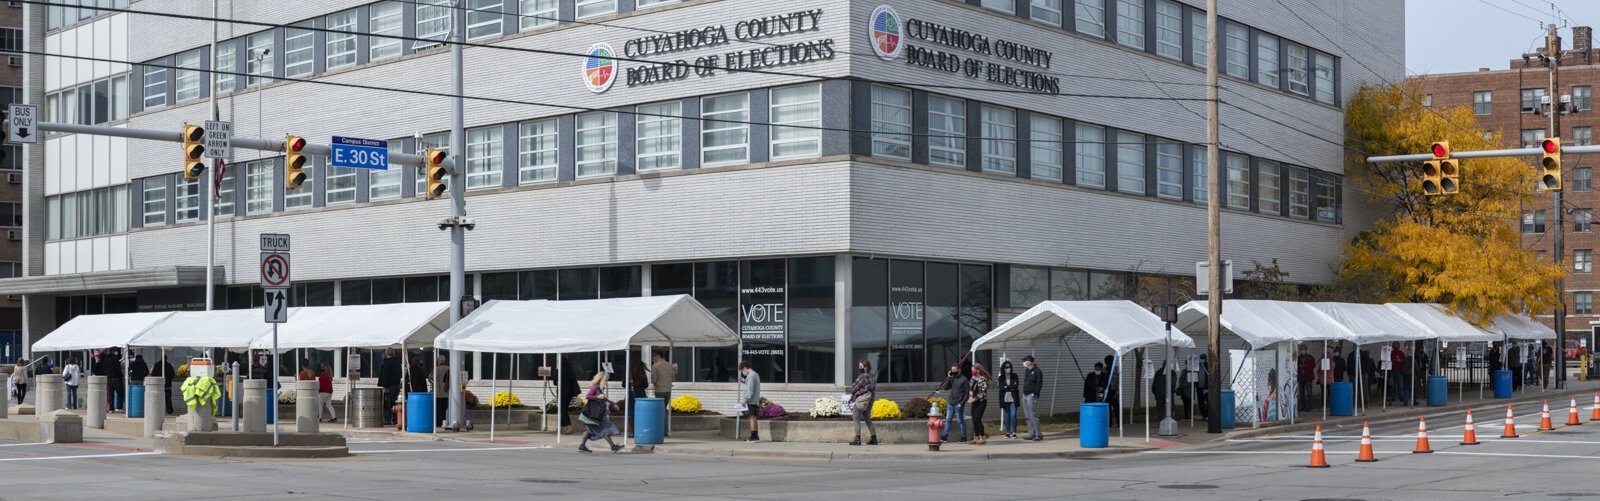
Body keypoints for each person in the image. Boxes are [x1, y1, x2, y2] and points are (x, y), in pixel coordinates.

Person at [577, 372, 623, 454]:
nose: (606, 382)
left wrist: (613, 404)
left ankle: (582, 446)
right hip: (595, 414)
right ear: (600, 379)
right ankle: (613, 446)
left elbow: (604, 400)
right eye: (605, 380)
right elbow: (588, 396)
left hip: (595, 414)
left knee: (589, 429)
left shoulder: (600, 389)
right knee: (605, 428)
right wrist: (597, 397)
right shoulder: (595, 387)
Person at [848, 359, 877, 446]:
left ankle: (857, 439)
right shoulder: (872, 376)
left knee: (856, 420)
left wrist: (854, 396)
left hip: (860, 401)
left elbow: (854, 387)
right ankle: (874, 439)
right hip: (869, 401)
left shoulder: (862, 377)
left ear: (865, 367)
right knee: (868, 420)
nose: (859, 368)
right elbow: (872, 390)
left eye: (861, 366)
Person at [940, 363, 969, 443]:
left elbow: (967, 393)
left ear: (959, 370)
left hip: (958, 404)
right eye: (952, 371)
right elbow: (945, 388)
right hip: (951, 403)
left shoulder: (964, 379)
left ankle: (964, 437)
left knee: (960, 421)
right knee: (948, 420)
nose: (953, 372)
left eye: (955, 370)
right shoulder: (952, 379)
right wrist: (949, 377)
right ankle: (944, 437)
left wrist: (961, 403)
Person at [737, 361, 762, 443]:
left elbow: (750, 390)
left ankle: (753, 436)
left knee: (751, 417)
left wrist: (745, 400)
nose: (742, 372)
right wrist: (745, 381)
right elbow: (752, 386)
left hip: (751, 400)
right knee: (753, 417)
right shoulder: (755, 374)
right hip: (754, 399)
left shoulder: (751, 376)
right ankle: (755, 435)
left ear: (744, 368)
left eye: (742, 370)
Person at [1021, 356, 1044, 441]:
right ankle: (1031, 434)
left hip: (1031, 395)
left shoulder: (1037, 371)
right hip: (1025, 394)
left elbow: (1039, 384)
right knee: (1027, 416)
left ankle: (1038, 434)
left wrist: (1035, 394)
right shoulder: (1027, 370)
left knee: (1033, 414)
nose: (1024, 363)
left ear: (1030, 361)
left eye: (1025, 361)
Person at [377, 349, 402, 426]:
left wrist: (384, 386)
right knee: (396, 402)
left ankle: (387, 419)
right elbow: (400, 374)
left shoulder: (386, 363)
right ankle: (395, 419)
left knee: (387, 402)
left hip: (389, 386)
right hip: (397, 385)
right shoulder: (397, 362)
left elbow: (385, 376)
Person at [997, 360, 1020, 439]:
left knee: (1013, 415)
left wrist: (1006, 387)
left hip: (1013, 399)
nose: (1008, 368)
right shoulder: (1001, 378)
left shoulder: (1015, 376)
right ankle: (1007, 432)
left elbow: (1016, 386)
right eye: (1006, 367)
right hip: (1005, 399)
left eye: (1009, 367)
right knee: (1007, 416)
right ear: (1003, 368)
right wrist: (1010, 387)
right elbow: (1001, 388)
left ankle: (1014, 432)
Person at [968, 362, 991, 445]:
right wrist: (970, 397)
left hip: (981, 402)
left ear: (978, 370)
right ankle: (976, 437)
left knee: (977, 418)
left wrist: (974, 399)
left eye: (973, 370)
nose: (972, 372)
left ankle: (982, 437)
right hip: (974, 401)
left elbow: (983, 393)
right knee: (974, 419)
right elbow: (970, 389)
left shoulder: (983, 379)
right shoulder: (972, 379)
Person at [558, 357, 580, 434]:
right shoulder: (571, 371)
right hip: (570, 393)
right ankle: (560, 427)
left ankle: (569, 427)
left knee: (563, 410)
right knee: (563, 409)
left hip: (562, 392)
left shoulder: (559, 370)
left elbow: (555, 381)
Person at [627, 357, 648, 433]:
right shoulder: (642, 373)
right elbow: (646, 385)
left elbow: (623, 384)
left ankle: (632, 432)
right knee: (641, 414)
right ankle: (640, 430)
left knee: (631, 414)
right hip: (641, 395)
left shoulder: (628, 373)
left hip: (630, 395)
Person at [1297, 345, 1316, 412]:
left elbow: (1313, 365)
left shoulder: (1310, 357)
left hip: (1308, 377)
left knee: (1309, 393)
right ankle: (1303, 406)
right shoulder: (1298, 358)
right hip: (1300, 377)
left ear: (1306, 349)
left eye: (1303, 349)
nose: (1302, 350)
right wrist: (1299, 366)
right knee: (1301, 393)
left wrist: (1305, 366)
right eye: (1301, 349)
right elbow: (1295, 366)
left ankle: (1310, 406)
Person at [434, 357, 450, 425]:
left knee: (438, 408)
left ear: (438, 361)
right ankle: (445, 421)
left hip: (438, 392)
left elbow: (432, 379)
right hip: (446, 391)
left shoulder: (436, 369)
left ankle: (438, 422)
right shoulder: (448, 368)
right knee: (445, 408)